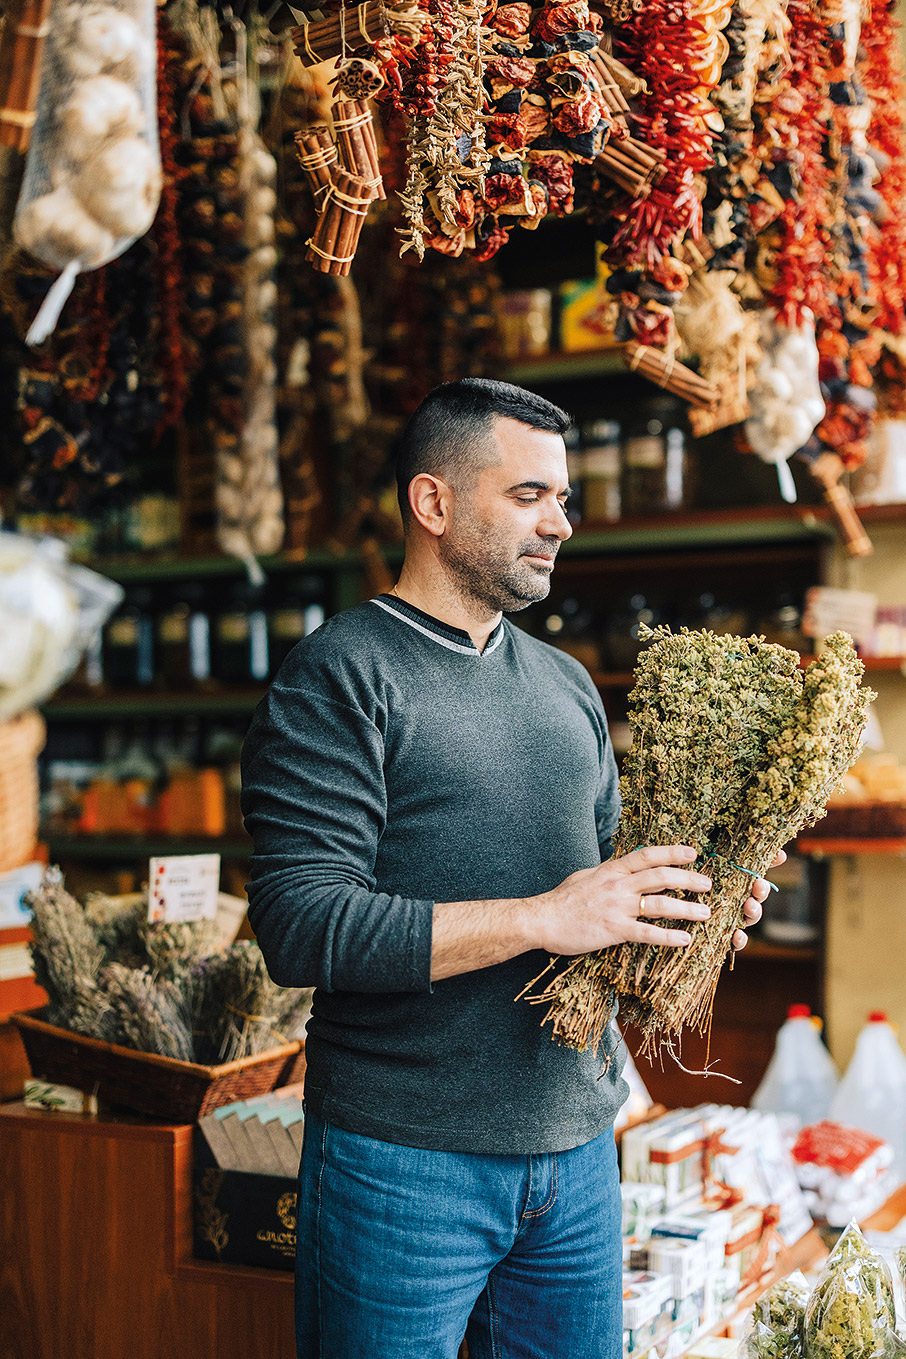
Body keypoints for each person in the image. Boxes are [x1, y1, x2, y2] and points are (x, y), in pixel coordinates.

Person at [240, 378, 775, 1359]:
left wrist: (686, 913)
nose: (561, 523)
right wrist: (541, 918)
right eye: (529, 495)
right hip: (403, 1166)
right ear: (433, 503)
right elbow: (300, 925)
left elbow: (603, 897)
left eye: (564, 500)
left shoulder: (567, 686)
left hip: (576, 1152)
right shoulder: (340, 674)